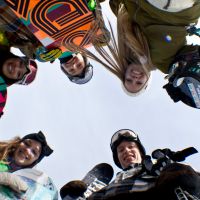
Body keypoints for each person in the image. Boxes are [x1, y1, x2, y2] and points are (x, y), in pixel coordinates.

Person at [79, 0, 200, 100]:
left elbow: (117, 4)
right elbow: (190, 64)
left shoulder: (126, 34)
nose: (135, 78)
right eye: (139, 83)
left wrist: (93, 13)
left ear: (124, 73)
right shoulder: (165, 63)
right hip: (174, 10)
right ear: (147, 79)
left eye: (129, 80)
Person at [60, 129, 200, 200]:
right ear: (118, 158)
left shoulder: (158, 168)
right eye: (121, 150)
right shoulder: (114, 184)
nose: (126, 151)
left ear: (140, 151)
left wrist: (176, 172)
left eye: (131, 147)